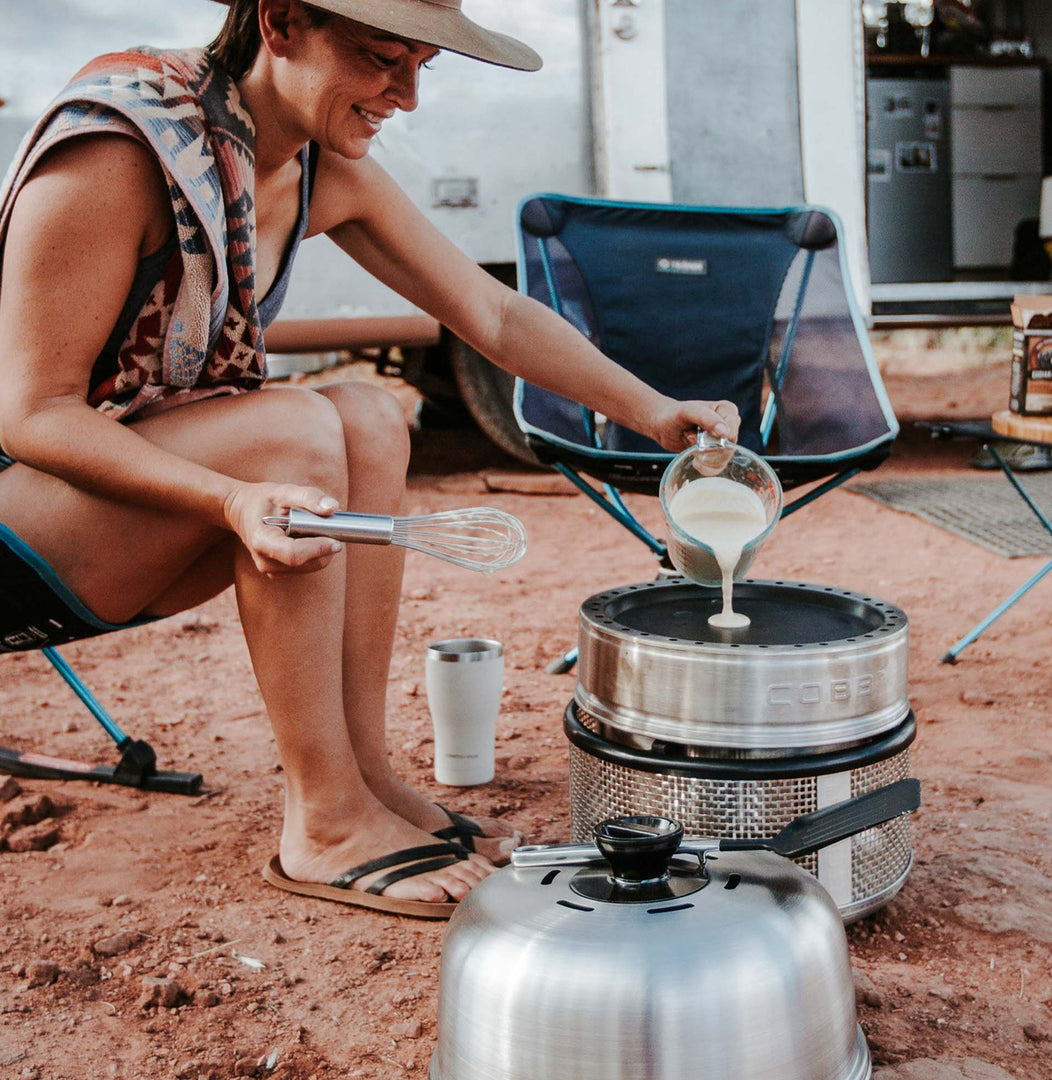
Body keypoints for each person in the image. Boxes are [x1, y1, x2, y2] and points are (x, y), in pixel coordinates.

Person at [0, 0, 740, 918]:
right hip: (19, 536)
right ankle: (324, 821)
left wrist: (655, 410)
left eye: (423, 62)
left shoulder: (312, 164)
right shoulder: (118, 153)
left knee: (369, 416)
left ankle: (364, 778)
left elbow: (494, 315)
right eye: (382, 57)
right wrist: (229, 500)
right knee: (296, 428)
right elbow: (31, 417)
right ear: (277, 24)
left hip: (112, 519)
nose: (409, 95)